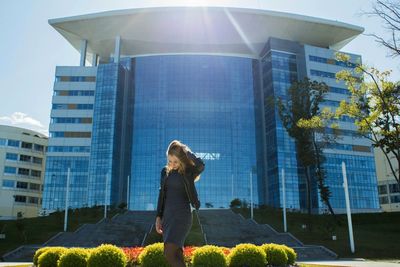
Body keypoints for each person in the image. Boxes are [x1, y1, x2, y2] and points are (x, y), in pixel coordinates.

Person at [155, 140, 205, 267]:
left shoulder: (188, 172)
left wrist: (187, 152)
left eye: (175, 161)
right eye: (169, 161)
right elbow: (162, 196)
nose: (172, 164)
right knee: (176, 255)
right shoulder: (165, 172)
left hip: (182, 216)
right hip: (168, 217)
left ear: (182, 160)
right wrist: (158, 217)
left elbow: (201, 165)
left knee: (169, 252)